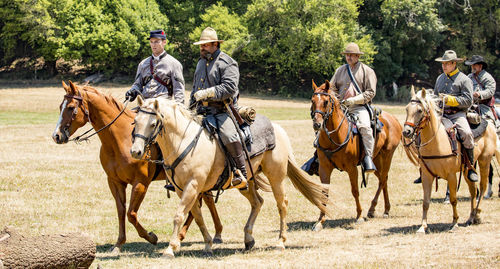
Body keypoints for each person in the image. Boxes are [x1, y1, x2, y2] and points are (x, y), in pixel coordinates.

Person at [189, 27, 247, 189]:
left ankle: (240, 173)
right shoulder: (201, 63)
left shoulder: (227, 63)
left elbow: (230, 88)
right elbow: (195, 89)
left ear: (215, 44)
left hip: (222, 111)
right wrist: (189, 108)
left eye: (205, 45)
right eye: (201, 45)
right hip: (201, 111)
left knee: (229, 135)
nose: (202, 48)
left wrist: (209, 92)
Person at [329, 42, 377, 172]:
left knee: (365, 127)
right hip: (341, 107)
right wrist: (336, 100)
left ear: (357, 56)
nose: (348, 57)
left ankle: (368, 158)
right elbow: (331, 88)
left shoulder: (368, 71)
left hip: (359, 107)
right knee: (324, 125)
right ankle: (317, 157)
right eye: (347, 55)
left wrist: (355, 100)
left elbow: (371, 92)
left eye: (351, 55)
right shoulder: (340, 70)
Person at [434, 50, 478, 182]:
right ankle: (424, 167)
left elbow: (468, 101)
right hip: (441, 114)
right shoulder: (440, 78)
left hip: (457, 115)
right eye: (443, 64)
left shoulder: (464, 80)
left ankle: (470, 166)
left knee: (466, 134)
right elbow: (435, 96)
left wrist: (450, 100)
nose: (444, 66)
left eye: (446, 64)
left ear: (454, 63)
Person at [466, 55, 498, 197]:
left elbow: (490, 91)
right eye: (471, 65)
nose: (472, 67)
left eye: (474, 65)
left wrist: (479, 94)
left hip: (484, 110)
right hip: (469, 108)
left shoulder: (488, 78)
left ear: (480, 66)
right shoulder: (468, 77)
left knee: (489, 125)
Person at [126, 29, 185, 104]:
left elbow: (178, 89)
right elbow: (138, 84)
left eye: (157, 41)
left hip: (163, 105)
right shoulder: (143, 64)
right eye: (151, 42)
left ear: (164, 42)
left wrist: (178, 108)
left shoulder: (174, 64)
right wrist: (133, 91)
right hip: (145, 104)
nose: (153, 44)